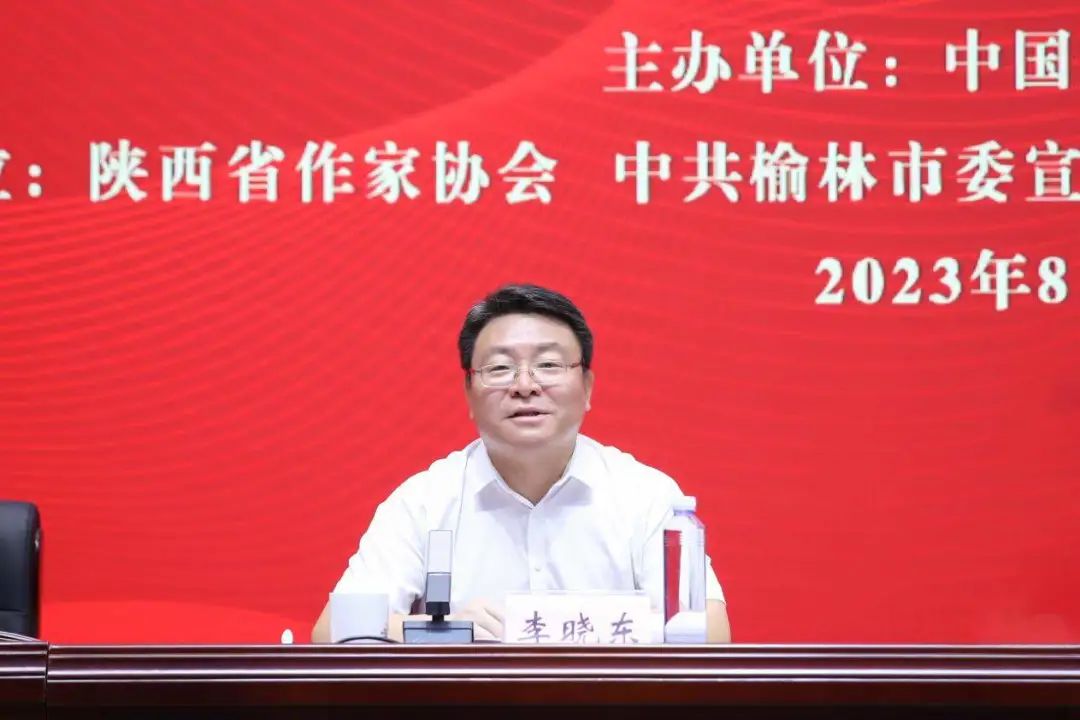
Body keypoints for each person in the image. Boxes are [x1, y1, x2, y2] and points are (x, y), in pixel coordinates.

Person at [311, 284, 730, 643]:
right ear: (469, 393)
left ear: (587, 387)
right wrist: (447, 631)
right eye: (500, 368)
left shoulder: (645, 497)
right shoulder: (423, 502)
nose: (525, 385)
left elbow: (710, 631)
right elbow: (333, 631)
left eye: (548, 365)